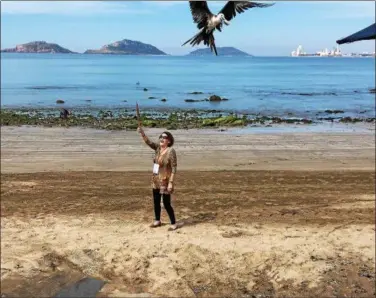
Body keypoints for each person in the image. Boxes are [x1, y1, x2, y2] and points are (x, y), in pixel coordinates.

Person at [137, 126, 178, 231]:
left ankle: (173, 223)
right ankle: (157, 220)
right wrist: (142, 133)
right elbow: (149, 143)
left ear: (168, 141)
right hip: (156, 178)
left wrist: (171, 183)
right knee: (155, 201)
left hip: (165, 179)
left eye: (164, 137)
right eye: (160, 137)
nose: (161, 138)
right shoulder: (158, 149)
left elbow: (174, 168)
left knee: (166, 203)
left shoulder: (171, 151)